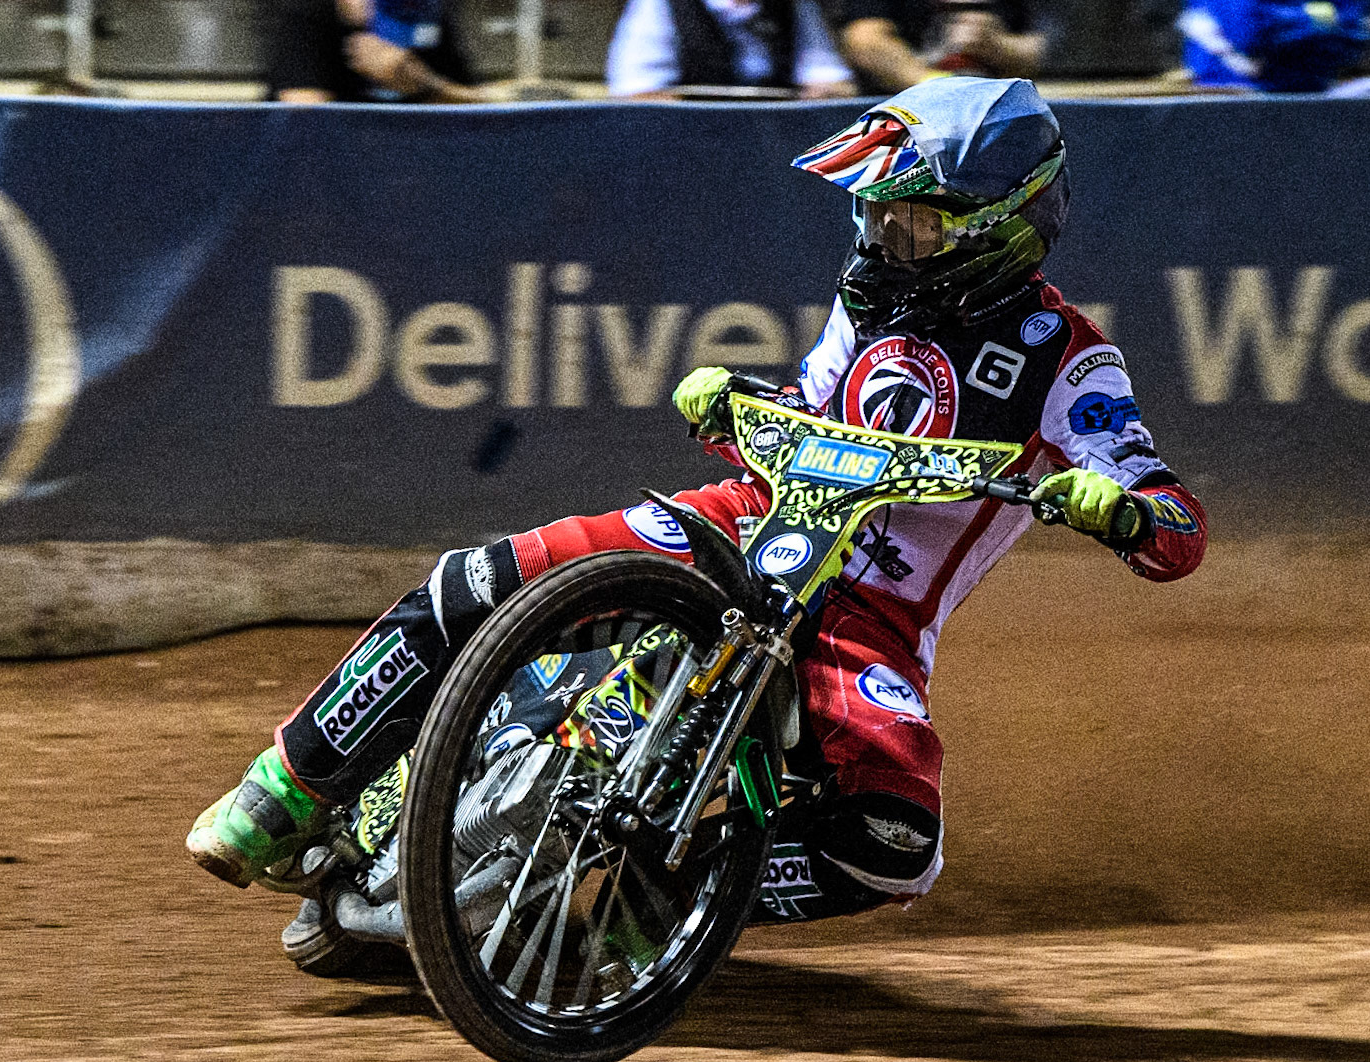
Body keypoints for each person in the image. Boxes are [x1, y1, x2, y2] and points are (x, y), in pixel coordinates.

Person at [188, 77, 1207, 934]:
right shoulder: (872, 301)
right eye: (874, 216)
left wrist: (1117, 511)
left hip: (866, 625)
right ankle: (281, 790)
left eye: (907, 222)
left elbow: (1176, 527)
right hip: (741, 524)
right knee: (480, 577)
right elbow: (809, 406)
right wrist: (735, 398)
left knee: (897, 845)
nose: (878, 237)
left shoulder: (1070, 360)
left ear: (992, 232)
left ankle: (668, 904)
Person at [606, 0, 857, 99]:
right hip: (691, 153)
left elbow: (832, 84)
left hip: (775, 149)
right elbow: (636, 94)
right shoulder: (664, 5)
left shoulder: (794, 6)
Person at [264, 0, 483, 103]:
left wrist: (421, 84)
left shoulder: (426, 14)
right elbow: (305, 126)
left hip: (410, 168)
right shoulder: (307, 13)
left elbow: (472, 109)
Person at [837, 0, 1044, 92]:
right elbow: (864, 40)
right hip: (907, 115)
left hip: (1006, 114)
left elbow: (1055, 50)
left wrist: (999, 45)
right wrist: (943, 88)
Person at [1177, 0, 1369, 91]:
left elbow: (1354, 37)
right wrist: (1326, 21)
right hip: (1232, 97)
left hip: (1316, 89)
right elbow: (1250, 36)